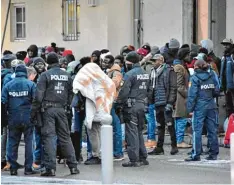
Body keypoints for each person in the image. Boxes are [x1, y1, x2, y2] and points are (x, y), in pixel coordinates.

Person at [31, 52, 79, 176]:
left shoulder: (45, 75)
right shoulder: (67, 75)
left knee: (49, 138)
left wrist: (33, 111)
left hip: (48, 110)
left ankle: (50, 168)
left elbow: (38, 96)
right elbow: (71, 93)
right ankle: (73, 166)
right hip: (62, 110)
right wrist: (67, 105)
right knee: (65, 138)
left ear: (48, 62)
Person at [73, 62, 116, 165]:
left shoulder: (91, 82)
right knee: (102, 133)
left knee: (93, 132)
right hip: (105, 112)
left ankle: (95, 155)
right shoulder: (105, 80)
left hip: (95, 111)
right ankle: (103, 154)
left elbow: (79, 85)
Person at [1, 64, 36, 175]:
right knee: (29, 142)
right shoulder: (31, 84)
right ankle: (28, 168)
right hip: (27, 116)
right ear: (25, 73)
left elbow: (3, 102)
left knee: (12, 142)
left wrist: (4, 119)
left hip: (13, 117)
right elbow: (36, 101)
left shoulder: (8, 85)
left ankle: (13, 167)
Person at [116, 51, 149, 167]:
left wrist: (118, 103)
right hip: (142, 104)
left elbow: (124, 92)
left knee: (131, 132)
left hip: (131, 106)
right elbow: (149, 90)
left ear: (130, 62)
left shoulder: (129, 74)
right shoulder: (145, 73)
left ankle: (134, 159)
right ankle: (143, 157)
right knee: (139, 131)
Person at [185, 59, 220, 161]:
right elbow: (217, 90)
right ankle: (213, 154)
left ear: (196, 67)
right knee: (212, 130)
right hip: (211, 105)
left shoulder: (195, 78)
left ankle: (196, 154)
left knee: (197, 130)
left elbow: (192, 95)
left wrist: (189, 109)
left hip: (199, 107)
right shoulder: (212, 75)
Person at [148, 54, 178, 155]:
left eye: (155, 61)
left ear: (161, 61)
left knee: (170, 125)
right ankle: (159, 147)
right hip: (157, 102)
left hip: (166, 102)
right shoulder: (153, 72)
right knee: (160, 125)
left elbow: (173, 88)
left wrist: (170, 102)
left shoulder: (169, 70)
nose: (153, 63)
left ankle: (174, 146)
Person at [103, 54, 124, 161]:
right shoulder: (109, 72)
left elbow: (114, 84)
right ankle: (115, 151)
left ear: (111, 63)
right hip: (109, 102)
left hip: (113, 102)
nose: (104, 63)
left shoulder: (116, 73)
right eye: (103, 61)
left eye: (106, 62)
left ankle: (118, 152)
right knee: (113, 128)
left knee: (116, 128)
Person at [173, 48, 192, 148]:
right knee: (181, 119)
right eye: (188, 55)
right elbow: (179, 85)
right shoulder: (179, 68)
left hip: (180, 97)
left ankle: (178, 140)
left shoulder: (180, 66)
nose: (190, 57)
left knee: (179, 119)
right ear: (184, 56)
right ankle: (179, 141)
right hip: (180, 98)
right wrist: (188, 95)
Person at [220, 38, 234, 118]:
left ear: (231, 45)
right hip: (226, 86)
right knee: (228, 106)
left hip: (232, 87)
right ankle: (229, 125)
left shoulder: (232, 56)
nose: (225, 46)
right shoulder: (224, 57)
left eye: (227, 44)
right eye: (224, 45)